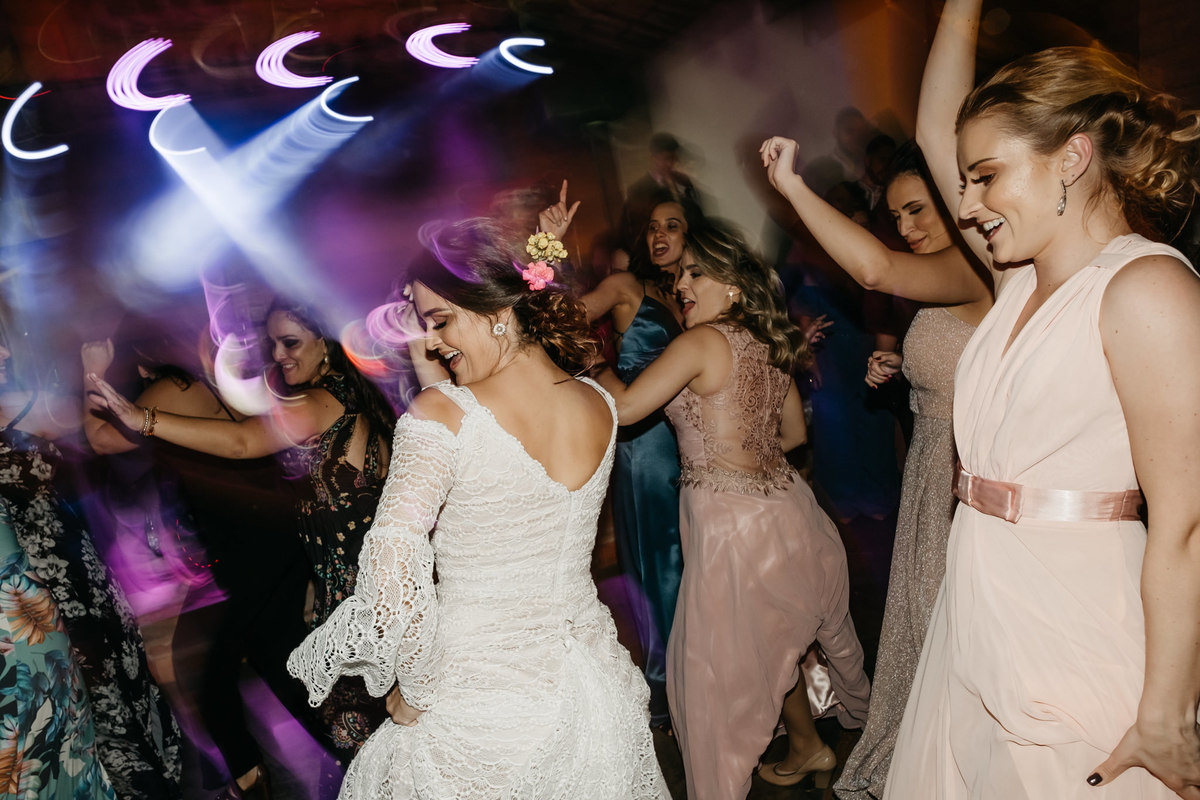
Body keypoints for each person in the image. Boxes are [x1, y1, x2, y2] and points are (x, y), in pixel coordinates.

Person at [884, 0, 1200, 796]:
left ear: (1071, 157)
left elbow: (1188, 524)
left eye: (986, 176)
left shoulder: (1147, 288)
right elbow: (934, 128)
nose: (964, 205)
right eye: (964, 180)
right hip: (981, 603)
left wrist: (1164, 711)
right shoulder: (1015, 277)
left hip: (1077, 619)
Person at [284, 218, 667, 797]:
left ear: (497, 311)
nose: (434, 340)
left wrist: (413, 684)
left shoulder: (440, 417)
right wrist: (430, 341)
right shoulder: (599, 402)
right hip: (589, 683)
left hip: (477, 698)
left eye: (441, 322)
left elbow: (391, 554)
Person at [597, 225, 870, 799]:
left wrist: (593, 361)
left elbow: (621, 408)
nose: (682, 284)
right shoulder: (765, 343)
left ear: (736, 286)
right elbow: (794, 435)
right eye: (680, 275)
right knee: (775, 646)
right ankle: (809, 746)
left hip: (729, 529)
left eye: (697, 273)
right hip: (788, 511)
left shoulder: (699, 343)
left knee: (716, 675)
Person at [760, 135, 991, 799]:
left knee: (955, 626)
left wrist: (793, 189)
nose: (908, 228)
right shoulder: (950, 271)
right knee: (931, 622)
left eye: (919, 211)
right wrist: (901, 374)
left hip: (960, 473)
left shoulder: (973, 265)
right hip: (929, 468)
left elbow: (873, 272)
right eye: (897, 217)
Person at [85, 300, 397, 776]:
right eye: (273, 342)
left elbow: (242, 442)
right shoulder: (345, 398)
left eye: (289, 342)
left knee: (368, 730)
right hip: (360, 584)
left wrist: (141, 419)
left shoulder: (319, 402)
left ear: (326, 345)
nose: (278, 354)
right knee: (364, 720)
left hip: (363, 591)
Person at [81, 321, 314, 800]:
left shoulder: (176, 386)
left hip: (249, 545)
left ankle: (256, 777)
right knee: (276, 662)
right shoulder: (209, 381)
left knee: (216, 674)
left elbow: (102, 439)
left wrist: (93, 376)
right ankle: (268, 770)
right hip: (267, 532)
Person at [0, 312, 183, 799]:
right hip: (15, 609)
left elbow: (103, 452)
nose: (3, 354)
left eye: (3, 339)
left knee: (112, 699)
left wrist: (91, 376)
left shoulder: (37, 405)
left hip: (74, 580)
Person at [575, 198, 688, 731]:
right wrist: (545, 257)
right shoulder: (626, 287)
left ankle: (711, 671)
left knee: (697, 561)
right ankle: (669, 684)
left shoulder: (692, 290)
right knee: (661, 562)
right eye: (651, 228)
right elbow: (562, 319)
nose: (659, 236)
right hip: (646, 445)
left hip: (693, 442)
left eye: (672, 225)